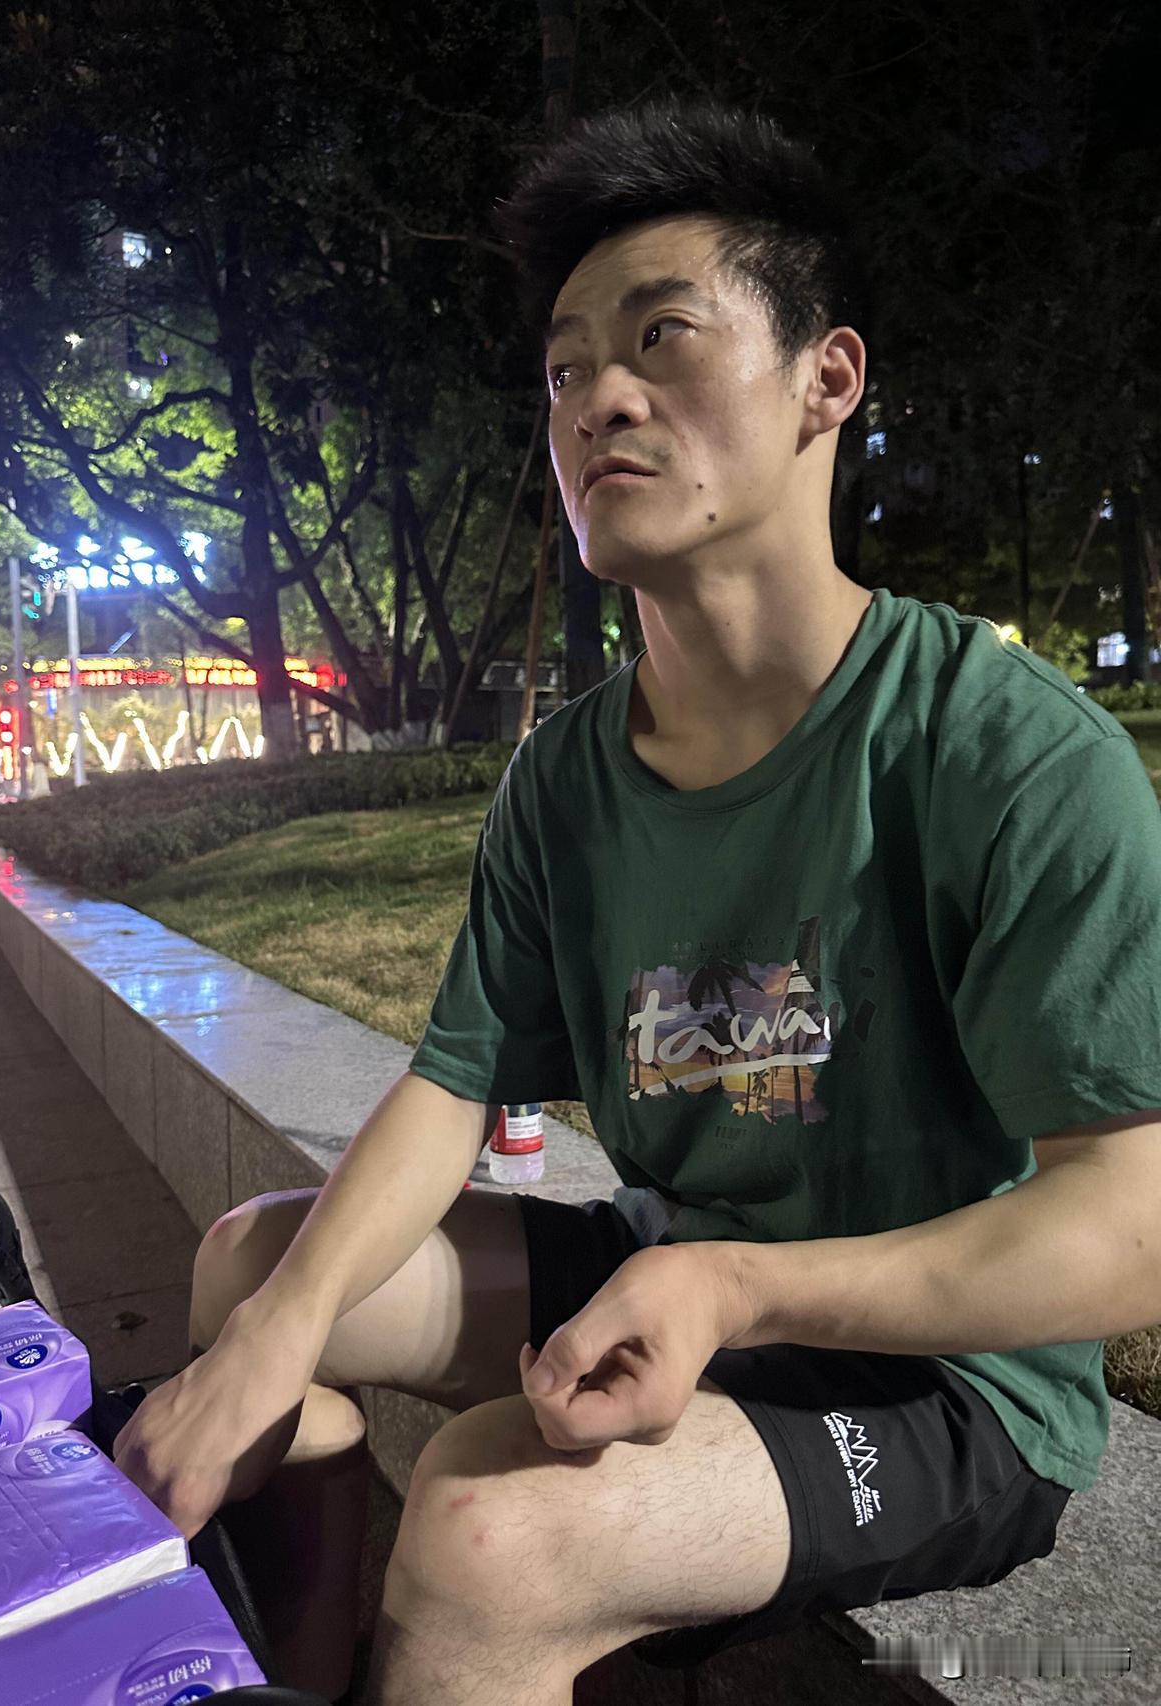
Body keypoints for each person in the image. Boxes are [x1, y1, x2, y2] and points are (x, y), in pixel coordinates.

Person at [114, 97, 1161, 1706]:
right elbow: (453, 1085)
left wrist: (740, 1283)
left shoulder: (1002, 753)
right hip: (673, 1261)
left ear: (827, 380)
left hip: (948, 1380)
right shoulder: (565, 778)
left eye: (663, 338)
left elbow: (1131, 1233)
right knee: (255, 1273)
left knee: (485, 1526)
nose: (598, 396)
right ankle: (299, 1666)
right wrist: (274, 1337)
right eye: (563, 370)